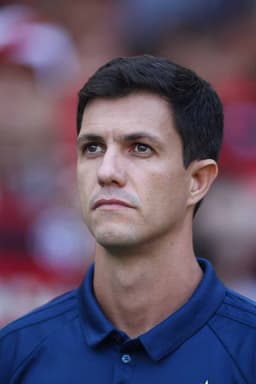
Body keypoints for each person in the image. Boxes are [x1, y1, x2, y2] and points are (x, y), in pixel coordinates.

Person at [0, 55, 255, 383]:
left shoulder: (247, 353)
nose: (107, 172)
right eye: (92, 148)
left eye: (140, 148)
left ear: (198, 181)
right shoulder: (16, 353)